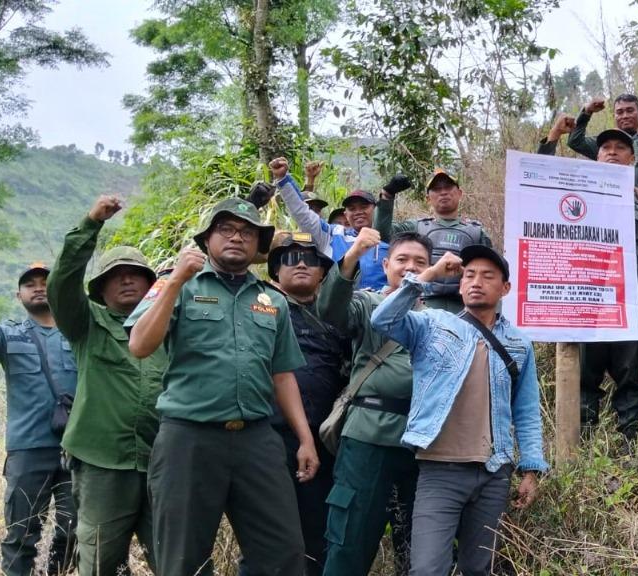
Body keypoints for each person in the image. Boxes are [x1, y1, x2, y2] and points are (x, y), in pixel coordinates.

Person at [126, 197, 318, 575]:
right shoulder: (176, 284)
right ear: (207, 239)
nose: (236, 237)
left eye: (247, 232)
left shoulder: (272, 300)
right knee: (183, 558)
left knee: (283, 553)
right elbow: (140, 345)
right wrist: (176, 280)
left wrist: (305, 439)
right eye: (226, 229)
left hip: (256, 439)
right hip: (189, 439)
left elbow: (282, 375)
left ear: (258, 244)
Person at [371, 246, 546, 576]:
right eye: (469, 275)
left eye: (487, 276)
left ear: (505, 288)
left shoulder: (519, 343)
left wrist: (531, 469)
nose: (476, 282)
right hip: (440, 469)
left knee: (477, 567)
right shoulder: (433, 324)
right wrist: (430, 273)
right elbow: (383, 319)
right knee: (427, 569)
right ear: (460, 284)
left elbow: (525, 410)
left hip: (494, 471)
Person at [46, 195, 164, 576]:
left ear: (150, 284)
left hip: (162, 463)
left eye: (135, 273)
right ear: (101, 288)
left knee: (176, 559)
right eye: (116, 275)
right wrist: (91, 223)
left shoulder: (169, 327)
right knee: (99, 564)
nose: (126, 279)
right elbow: (61, 284)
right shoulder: (86, 323)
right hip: (102, 466)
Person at [546, 128, 638, 440]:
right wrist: (551, 138)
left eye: (620, 147)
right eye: (606, 148)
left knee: (630, 379)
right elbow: (535, 182)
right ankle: (581, 448)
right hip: (585, 305)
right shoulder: (574, 193)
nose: (612, 152)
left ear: (632, 158)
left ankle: (633, 447)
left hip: (629, 306)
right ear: (597, 155)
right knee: (584, 380)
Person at [319, 229, 430, 576]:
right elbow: (330, 309)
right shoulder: (367, 303)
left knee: (418, 547)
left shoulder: (436, 318)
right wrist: (352, 256)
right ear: (385, 265)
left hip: (421, 443)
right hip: (367, 437)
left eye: (420, 262)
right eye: (402, 259)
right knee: (350, 539)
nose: (410, 267)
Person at [239, 231, 346, 575]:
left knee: (317, 532)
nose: (301, 264)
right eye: (289, 258)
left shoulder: (340, 313)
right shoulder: (258, 307)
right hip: (269, 437)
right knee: (264, 535)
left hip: (326, 439)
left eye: (310, 259)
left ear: (323, 272)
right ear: (274, 271)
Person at [0, 265, 78, 576]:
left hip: (77, 450)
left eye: (46, 282)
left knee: (74, 531)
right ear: (17, 295)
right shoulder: (7, 336)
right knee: (21, 535)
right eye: (30, 284)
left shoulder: (80, 334)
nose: (38, 287)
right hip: (27, 451)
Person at [373, 169, 494, 313]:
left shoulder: (477, 232)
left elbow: (490, 272)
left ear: (460, 193)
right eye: (436, 189)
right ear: (428, 198)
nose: (443, 192)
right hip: (423, 305)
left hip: (465, 307)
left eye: (448, 187)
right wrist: (387, 196)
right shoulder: (417, 227)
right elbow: (382, 233)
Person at [271, 157, 391, 290]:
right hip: (336, 302)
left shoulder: (392, 240)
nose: (358, 212)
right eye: (352, 209)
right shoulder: (331, 235)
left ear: (375, 209)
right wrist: (283, 178)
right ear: (346, 214)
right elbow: (301, 212)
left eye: (364, 207)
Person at [567, 93, 638, 196]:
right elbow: (575, 141)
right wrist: (587, 112)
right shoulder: (604, 143)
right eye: (619, 112)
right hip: (612, 200)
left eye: (630, 110)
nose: (625, 116)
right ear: (614, 116)